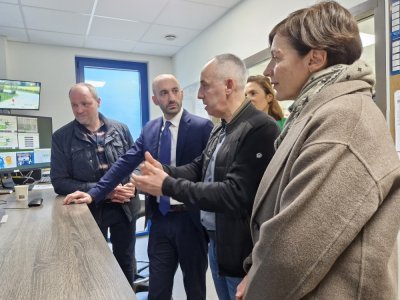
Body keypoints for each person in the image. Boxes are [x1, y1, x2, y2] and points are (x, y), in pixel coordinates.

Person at [235, 1, 400, 299]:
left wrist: (259, 282)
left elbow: (295, 251)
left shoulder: (344, 119)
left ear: (315, 59)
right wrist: (257, 271)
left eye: (276, 58)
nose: (269, 71)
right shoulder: (314, 113)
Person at [132, 54, 280, 300]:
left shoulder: (260, 128)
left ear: (229, 86)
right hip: (217, 242)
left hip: (241, 251)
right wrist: (163, 171)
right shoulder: (221, 127)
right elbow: (198, 168)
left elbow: (234, 193)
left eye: (205, 85)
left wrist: (167, 185)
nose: (199, 94)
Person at [64, 74, 213, 300]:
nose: (171, 97)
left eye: (175, 90)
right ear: (155, 99)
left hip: (190, 220)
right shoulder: (151, 129)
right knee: (158, 290)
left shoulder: (203, 127)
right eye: (164, 93)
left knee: (195, 288)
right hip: (160, 220)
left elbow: (207, 172)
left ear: (181, 93)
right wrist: (93, 194)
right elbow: (124, 163)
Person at [50, 83, 140, 286]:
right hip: (89, 212)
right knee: (92, 265)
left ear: (98, 102)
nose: (79, 110)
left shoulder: (121, 129)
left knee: (125, 262)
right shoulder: (61, 138)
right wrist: (103, 192)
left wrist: (134, 185)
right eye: (74, 105)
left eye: (85, 103)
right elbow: (59, 182)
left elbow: (136, 164)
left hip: (124, 209)